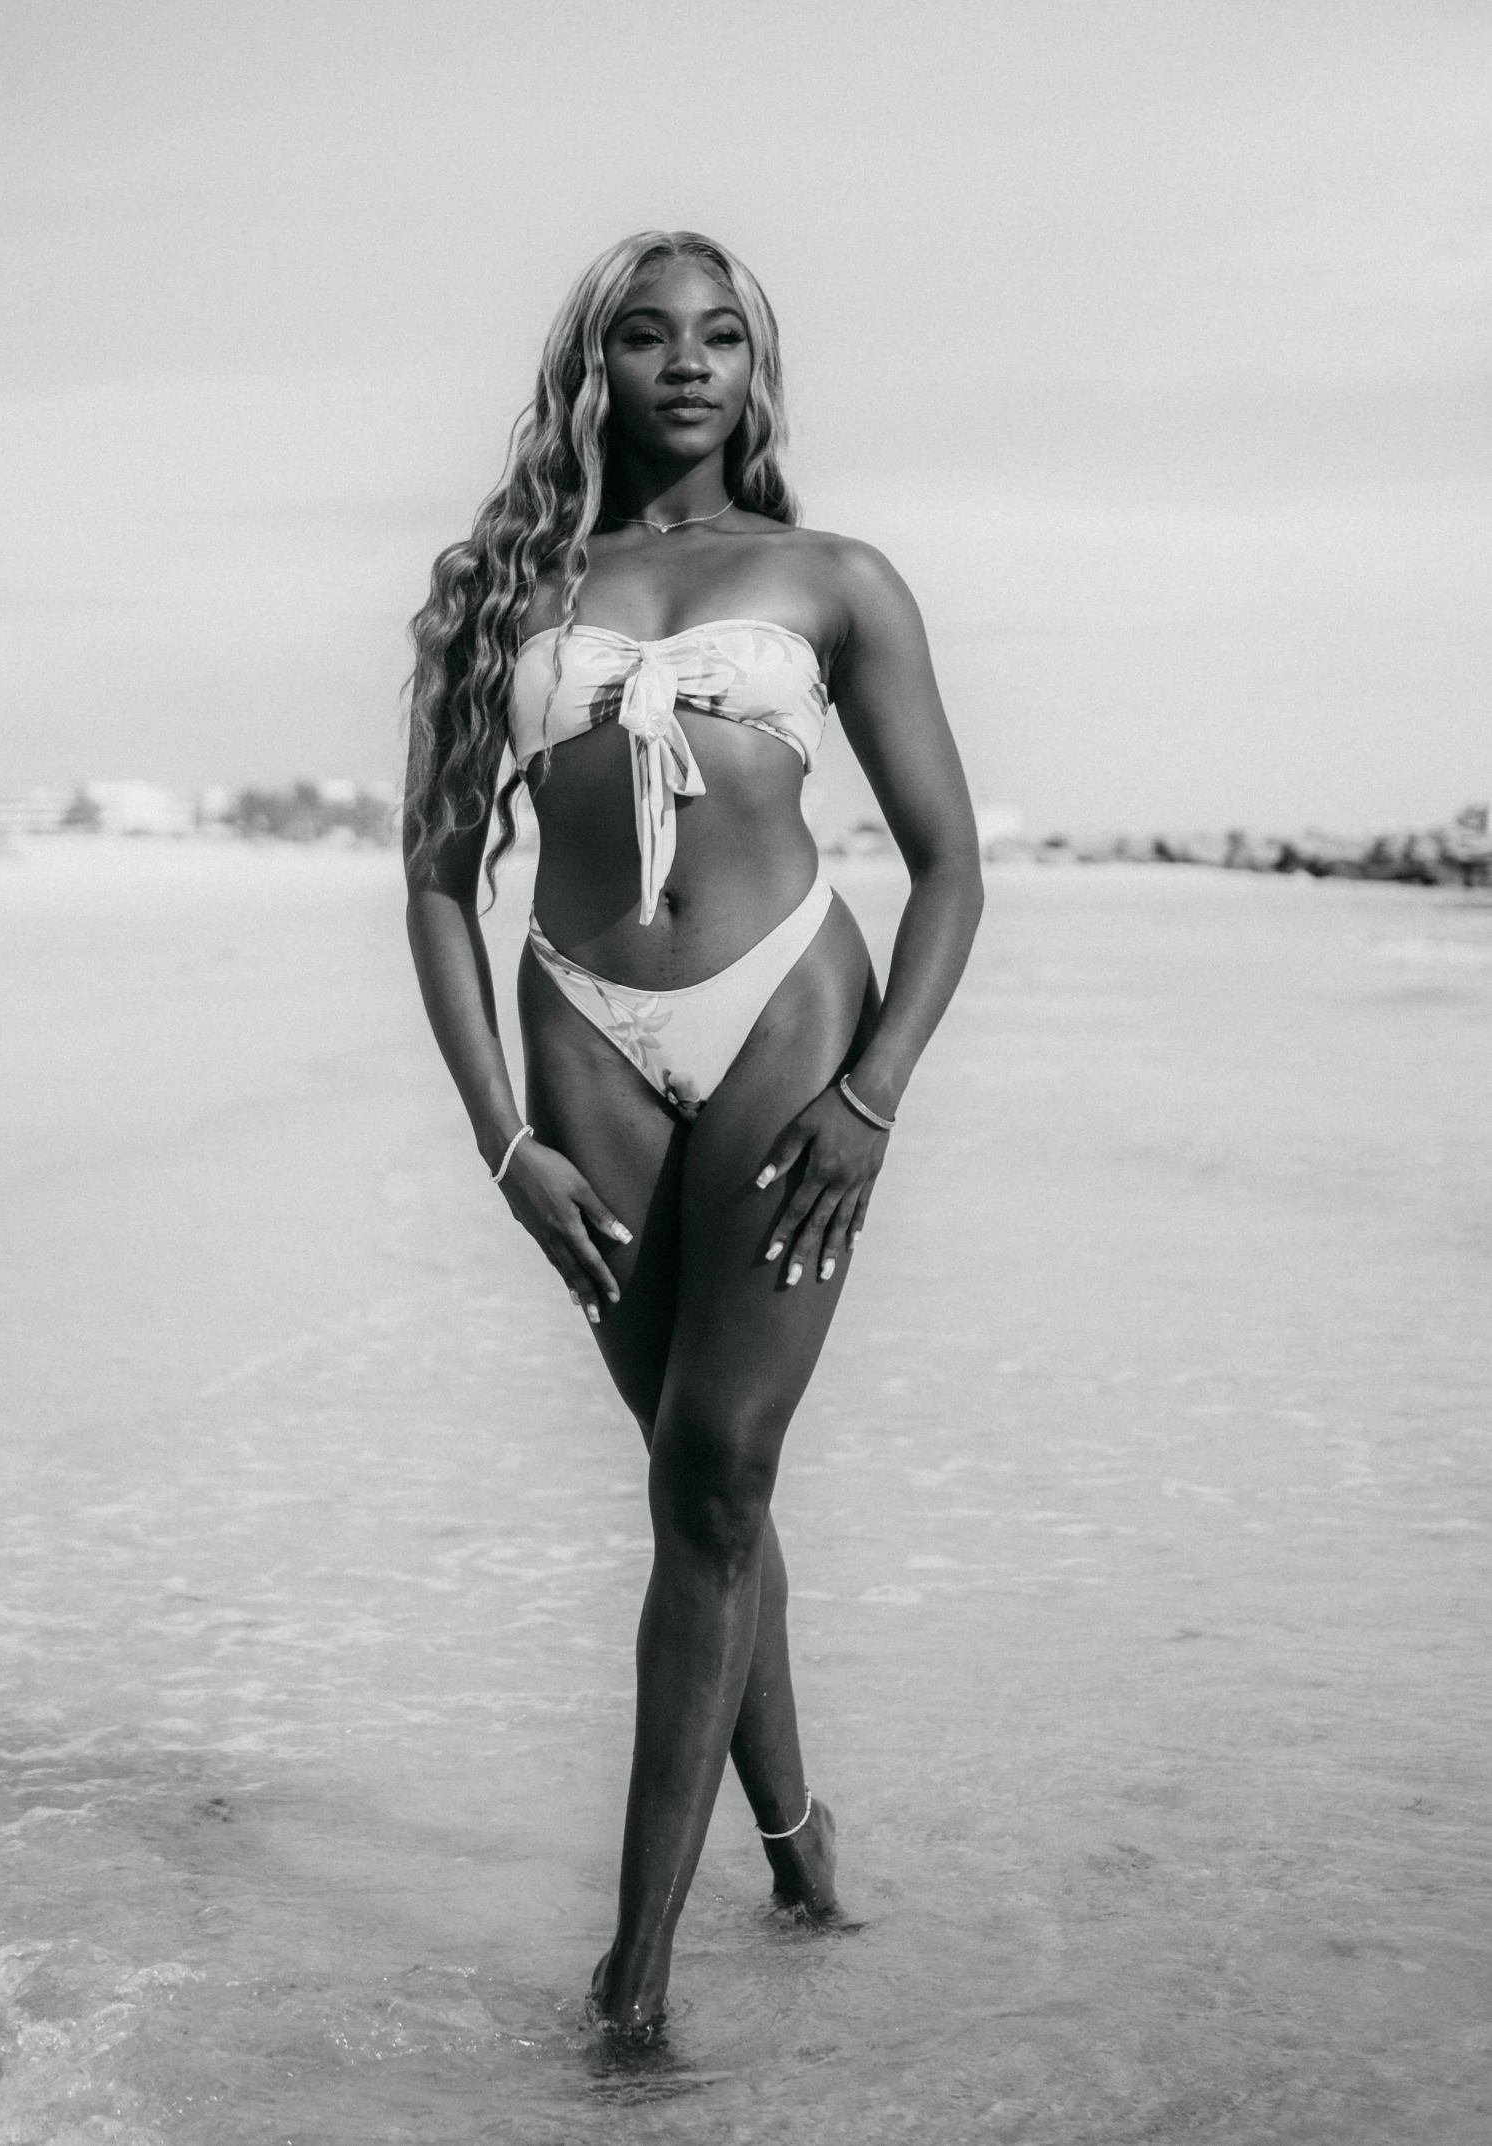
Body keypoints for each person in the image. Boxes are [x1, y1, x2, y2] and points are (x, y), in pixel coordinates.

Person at [403, 230, 982, 2034]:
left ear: (758, 369)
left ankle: (634, 1978)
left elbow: (955, 867)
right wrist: (505, 1140)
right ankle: (800, 1841)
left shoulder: (836, 578)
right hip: (579, 1030)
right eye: (648, 336)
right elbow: (433, 885)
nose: (686, 364)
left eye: (721, 337)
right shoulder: (496, 583)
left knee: (715, 1465)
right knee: (701, 1477)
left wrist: (873, 1095)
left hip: (789, 1022)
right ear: (597, 366)